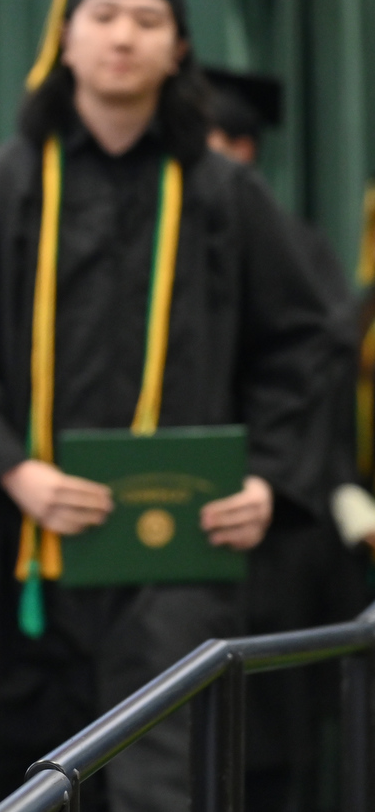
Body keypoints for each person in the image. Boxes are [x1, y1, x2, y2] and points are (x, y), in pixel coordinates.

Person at [0, 0, 341, 812]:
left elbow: (306, 342)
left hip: (171, 565)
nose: (123, 38)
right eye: (104, 16)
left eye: (149, 21)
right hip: (29, 552)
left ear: (179, 49)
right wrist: (10, 469)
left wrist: (270, 478)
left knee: (163, 782)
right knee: (19, 781)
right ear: (65, 38)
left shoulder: (224, 196)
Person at [201, 65, 365, 807]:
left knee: (266, 753)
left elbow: (319, 397)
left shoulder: (290, 250)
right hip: (188, 536)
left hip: (278, 538)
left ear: (241, 148)